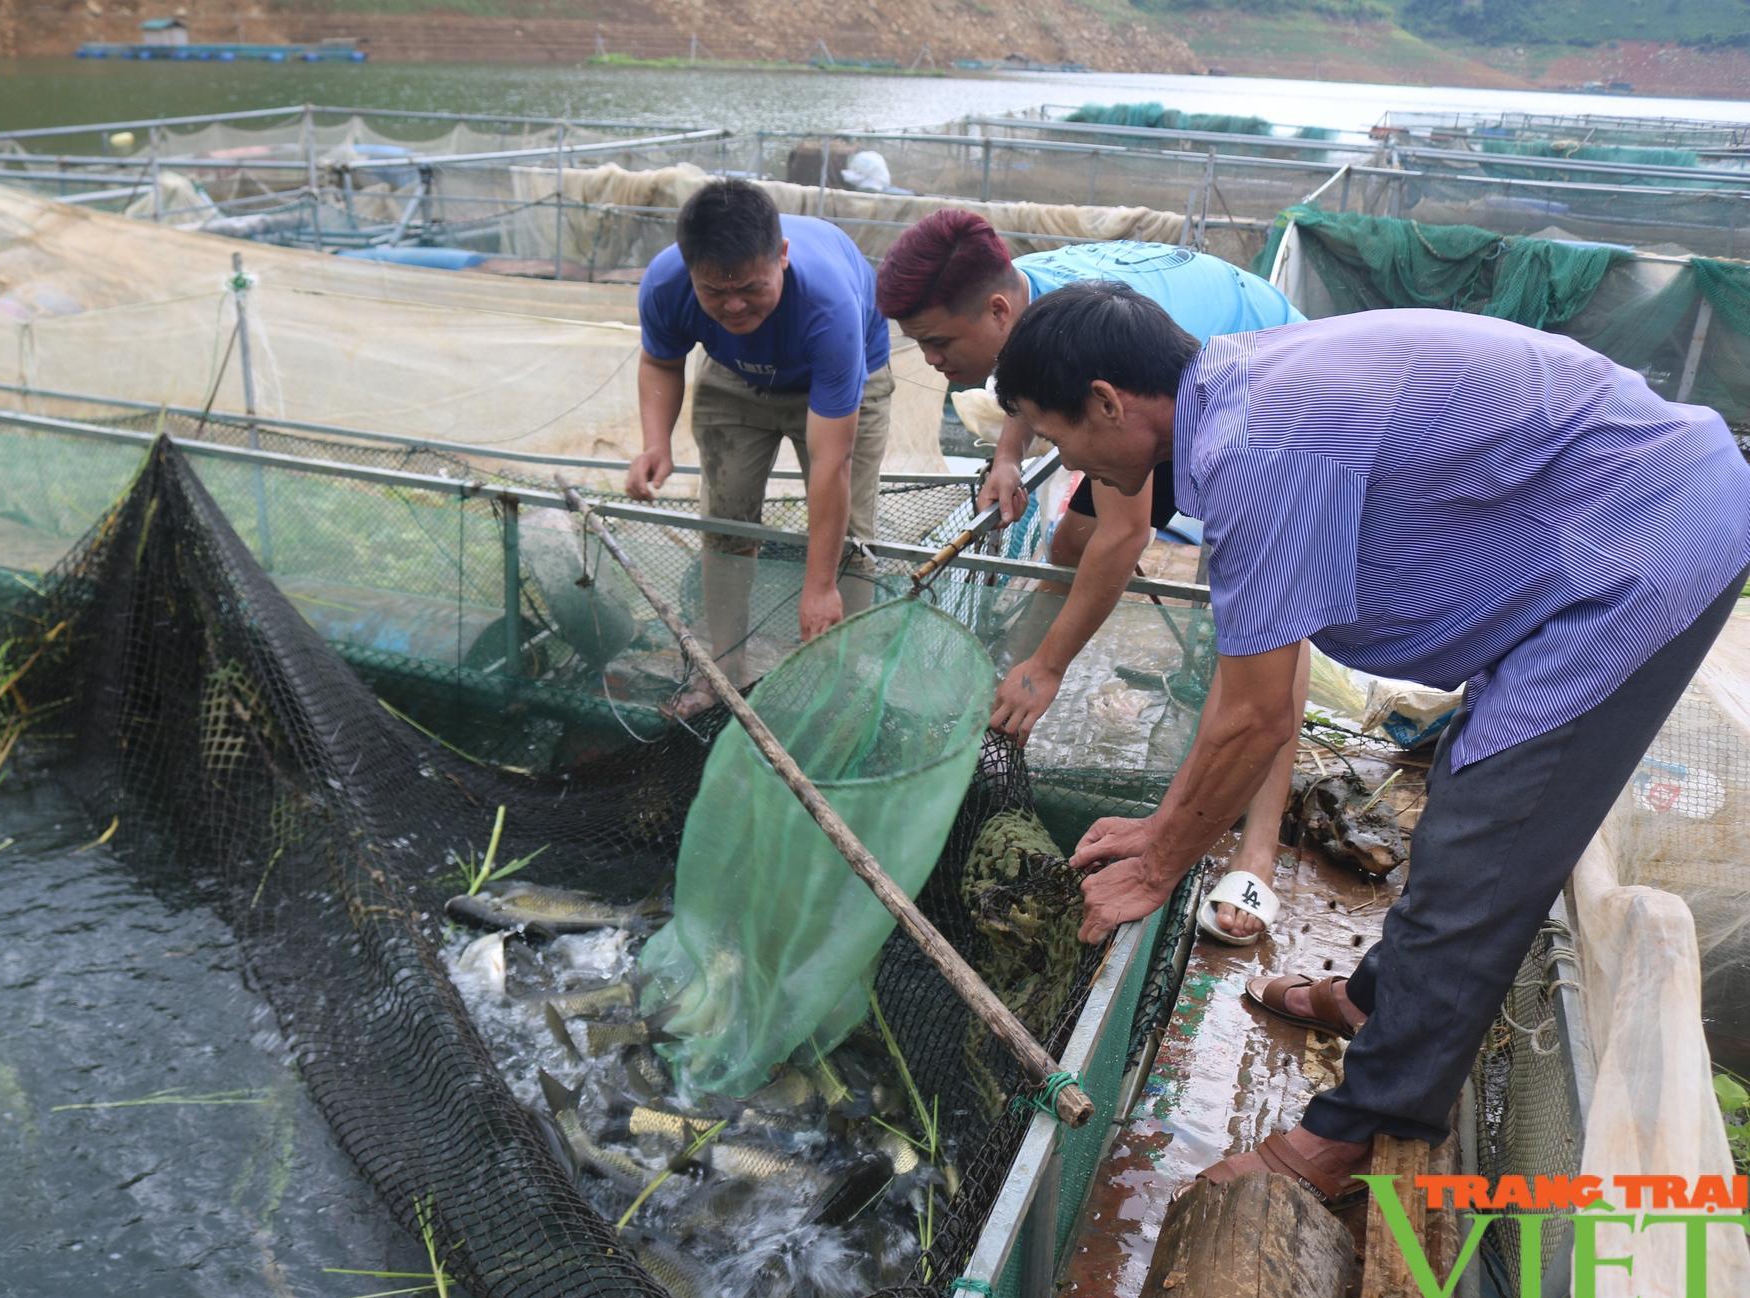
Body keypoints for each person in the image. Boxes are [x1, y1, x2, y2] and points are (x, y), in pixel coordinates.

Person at [992, 282, 1750, 1206]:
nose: (1063, 459)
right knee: (1467, 800)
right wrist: (1164, 826)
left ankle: (1364, 1123)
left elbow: (1260, 717)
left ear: (1108, 401)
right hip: (1598, 521)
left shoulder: (1257, 449)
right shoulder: (1235, 391)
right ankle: (1375, 1001)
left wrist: (1159, 864)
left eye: (1054, 434)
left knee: (1487, 838)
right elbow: (1245, 694)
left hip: (1649, 542)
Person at [874, 210, 1306, 946]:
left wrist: (1051, 665)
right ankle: (1019, 685)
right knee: (1069, 535)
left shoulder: (1135, 382)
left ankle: (1257, 844)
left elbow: (1125, 532)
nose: (932, 362)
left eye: (939, 343)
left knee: (1262, 615)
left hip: (1249, 367)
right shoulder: (1032, 304)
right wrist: (1009, 454)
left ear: (1000, 310)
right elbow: (1031, 386)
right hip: (1160, 387)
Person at [625, 180, 893, 715]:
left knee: (848, 545)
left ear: (783, 258)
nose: (734, 305)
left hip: (837, 379)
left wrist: (817, 587)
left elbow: (831, 461)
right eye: (714, 292)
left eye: (751, 287)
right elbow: (660, 360)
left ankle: (840, 689)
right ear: (689, 269)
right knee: (725, 524)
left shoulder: (828, 302)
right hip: (733, 377)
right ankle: (721, 675)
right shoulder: (666, 283)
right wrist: (655, 443)